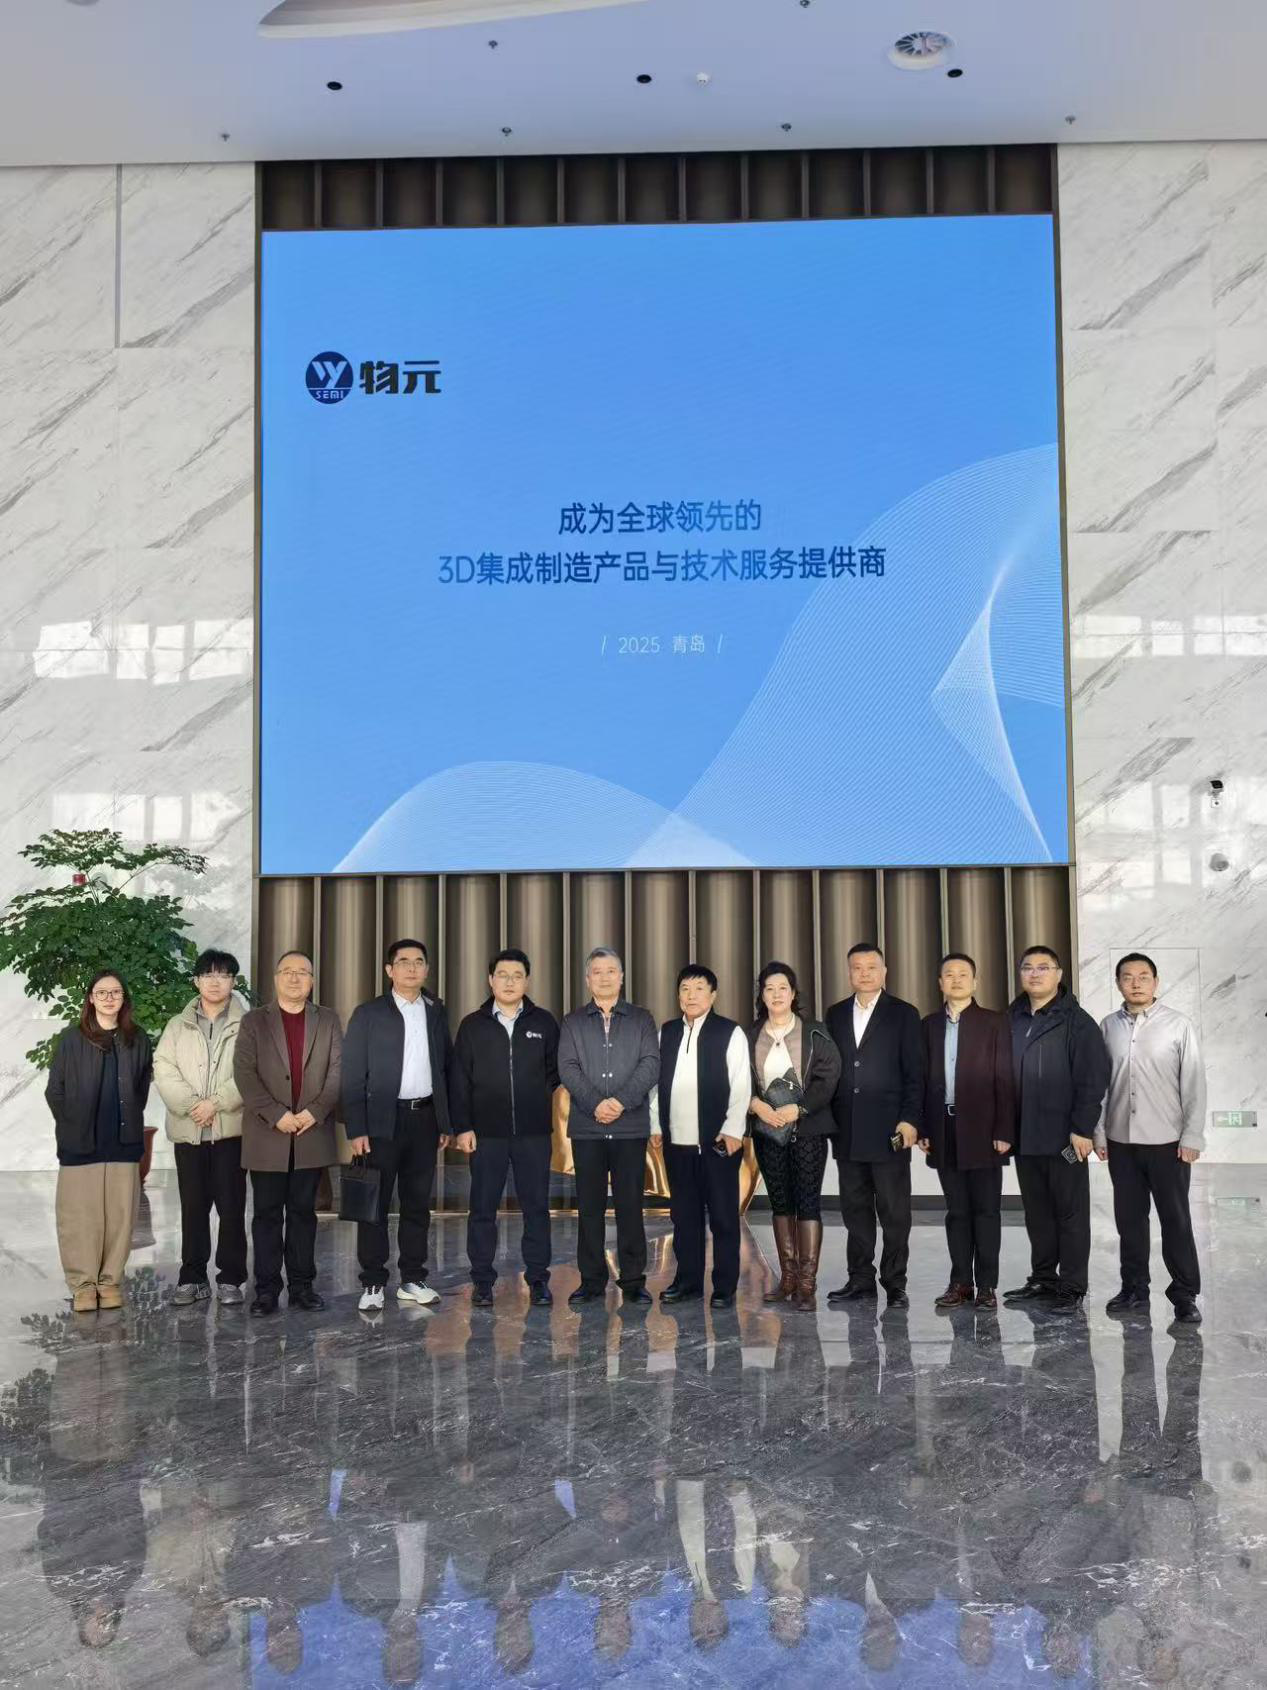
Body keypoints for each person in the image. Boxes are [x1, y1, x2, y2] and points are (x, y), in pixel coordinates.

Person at [1094, 952, 1206, 1325]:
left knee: (1176, 1220)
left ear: (1156, 982)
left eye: (1144, 976)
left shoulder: (1178, 1025)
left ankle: (1185, 1294)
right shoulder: (1108, 1026)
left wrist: (1192, 1135)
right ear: (1118, 983)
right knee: (1130, 1221)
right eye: (1128, 977)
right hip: (1121, 1141)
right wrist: (1099, 1131)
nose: (1136, 983)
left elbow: (1193, 1083)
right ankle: (1134, 1289)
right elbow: (1100, 1085)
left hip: (1168, 1142)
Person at [344, 939, 454, 1313]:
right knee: (374, 1204)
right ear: (389, 970)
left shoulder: (435, 1010)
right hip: (380, 1122)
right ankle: (373, 1281)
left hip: (424, 1119)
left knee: (417, 1204)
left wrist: (444, 1120)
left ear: (426, 970)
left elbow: (445, 1067)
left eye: (418, 961)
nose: (411, 968)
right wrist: (356, 1127)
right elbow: (352, 1073)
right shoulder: (369, 1013)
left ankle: (412, 1279)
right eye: (403, 961)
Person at [450, 948, 560, 1308]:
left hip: (533, 1134)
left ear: (526, 981)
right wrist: (463, 1127)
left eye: (517, 975)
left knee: (536, 1208)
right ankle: (482, 1281)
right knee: (482, 1209)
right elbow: (459, 1081)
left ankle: (538, 1280)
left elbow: (555, 1073)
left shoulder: (544, 1023)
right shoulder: (472, 1025)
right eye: (502, 975)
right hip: (486, 1135)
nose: (509, 982)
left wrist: (535, 1100)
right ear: (490, 980)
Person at [234, 951, 342, 1316]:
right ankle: (266, 1290)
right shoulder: (253, 1021)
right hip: (268, 1134)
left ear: (312, 980)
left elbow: (337, 1072)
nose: (295, 978)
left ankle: (302, 1287)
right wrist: (276, 1114)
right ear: (276, 977)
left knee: (303, 1214)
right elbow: (244, 1074)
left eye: (303, 972)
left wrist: (315, 1111)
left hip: (311, 1132)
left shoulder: (328, 1019)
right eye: (287, 971)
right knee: (266, 1214)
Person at [1004, 945, 1110, 1315]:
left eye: (1043, 967)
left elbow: (1092, 1080)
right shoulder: (1012, 1017)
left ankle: (1072, 1286)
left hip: (1065, 1136)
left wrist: (1082, 1128)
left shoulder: (1077, 1022)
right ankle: (1043, 1279)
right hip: (1025, 1135)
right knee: (1037, 1213)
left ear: (1059, 974)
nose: (1035, 974)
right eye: (1028, 968)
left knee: (1070, 1213)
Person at [44, 969, 153, 1313]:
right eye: (102, 992)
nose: (109, 998)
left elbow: (141, 1087)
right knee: (79, 1218)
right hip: (81, 1144)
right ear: (90, 998)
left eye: (116, 992)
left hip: (123, 1140)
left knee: (121, 1217)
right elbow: (55, 1090)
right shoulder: (71, 1038)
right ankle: (83, 1286)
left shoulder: (138, 1038)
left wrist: (129, 1115)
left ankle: (109, 1282)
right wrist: (73, 1124)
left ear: (124, 999)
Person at [557, 947, 660, 1307]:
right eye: (597, 972)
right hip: (588, 1129)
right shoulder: (572, 1022)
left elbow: (651, 1064)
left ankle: (633, 1281)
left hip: (630, 1127)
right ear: (588, 980)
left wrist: (619, 1102)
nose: (604, 977)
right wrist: (596, 1104)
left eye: (611, 971)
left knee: (631, 1206)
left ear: (621, 977)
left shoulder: (642, 1019)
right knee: (589, 1208)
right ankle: (591, 1281)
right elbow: (567, 1067)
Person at [825, 944, 924, 1311]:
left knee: (894, 1211)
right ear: (849, 972)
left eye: (871, 967)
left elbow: (915, 1073)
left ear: (884, 971)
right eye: (857, 967)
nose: (864, 973)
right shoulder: (835, 1014)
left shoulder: (903, 1014)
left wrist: (911, 1118)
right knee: (855, 1209)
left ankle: (895, 1283)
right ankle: (860, 1279)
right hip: (848, 1128)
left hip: (890, 1130)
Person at [649, 964, 751, 1309]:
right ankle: (688, 1282)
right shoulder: (667, 1032)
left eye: (698, 989)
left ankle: (724, 1286)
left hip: (718, 1143)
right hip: (677, 1143)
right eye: (685, 989)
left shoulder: (729, 1032)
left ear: (713, 995)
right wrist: (656, 1125)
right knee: (684, 1218)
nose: (690, 996)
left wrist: (733, 1129)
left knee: (723, 1217)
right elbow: (655, 1085)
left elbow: (741, 1084)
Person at [918, 953, 1015, 1312]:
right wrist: (924, 1127)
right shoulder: (928, 1025)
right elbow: (921, 1080)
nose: (956, 980)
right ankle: (960, 1283)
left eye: (963, 974)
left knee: (986, 1211)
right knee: (956, 1211)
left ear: (974, 982)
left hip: (985, 1131)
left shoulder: (994, 1022)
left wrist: (1004, 1129)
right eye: (949, 974)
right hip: (944, 1129)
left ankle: (987, 1286)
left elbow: (1006, 1078)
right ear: (940, 983)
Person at [153, 947, 248, 1307]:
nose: (215, 982)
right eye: (208, 975)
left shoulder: (248, 1024)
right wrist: (194, 1106)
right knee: (193, 1208)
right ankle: (192, 1277)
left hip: (231, 1132)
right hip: (188, 1132)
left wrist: (216, 1104)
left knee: (232, 1208)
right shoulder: (177, 1026)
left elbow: (251, 1072)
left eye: (223, 975)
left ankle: (231, 1278)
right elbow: (164, 1069)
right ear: (196, 981)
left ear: (233, 981)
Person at [747, 961, 842, 1312]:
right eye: (769, 989)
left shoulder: (815, 1032)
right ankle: (787, 1278)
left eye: (782, 988)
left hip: (807, 1129)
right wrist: (755, 1103)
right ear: (762, 995)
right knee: (780, 1202)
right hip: (767, 1130)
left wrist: (799, 1109)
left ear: (793, 994)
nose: (776, 994)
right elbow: (737, 1077)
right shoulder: (749, 1035)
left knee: (807, 1201)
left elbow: (829, 1077)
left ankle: (806, 1284)